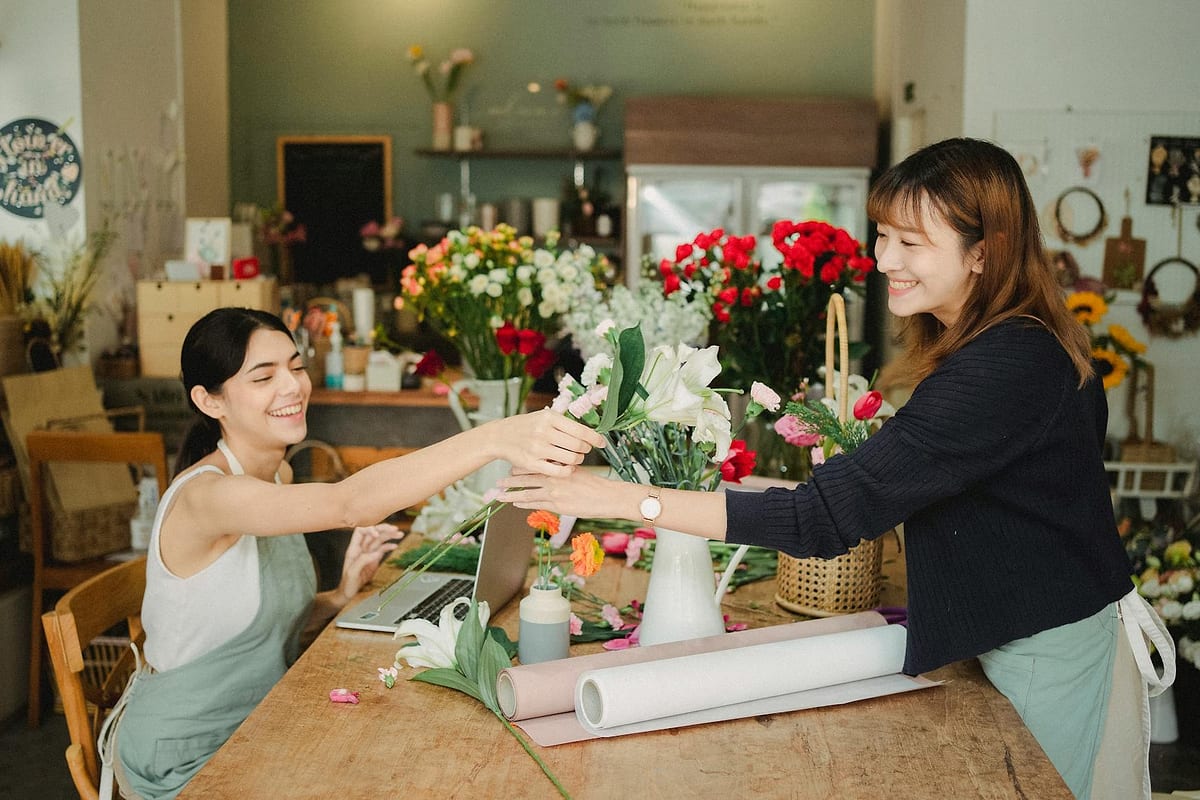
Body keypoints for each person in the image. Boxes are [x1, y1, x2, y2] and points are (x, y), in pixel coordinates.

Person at [501, 138, 1170, 799]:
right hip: (1018, 626)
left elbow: (819, 520)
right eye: (882, 236)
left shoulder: (1005, 367)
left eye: (911, 243)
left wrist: (621, 498)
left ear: (981, 253)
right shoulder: (1005, 343)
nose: (885, 260)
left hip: (1048, 645)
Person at [110, 307, 605, 799]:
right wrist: (493, 438)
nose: (292, 387)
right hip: (185, 759)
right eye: (263, 376)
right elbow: (350, 504)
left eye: (296, 367)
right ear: (209, 400)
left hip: (261, 728)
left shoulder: (276, 477)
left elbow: (242, 630)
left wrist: (339, 595)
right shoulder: (208, 497)